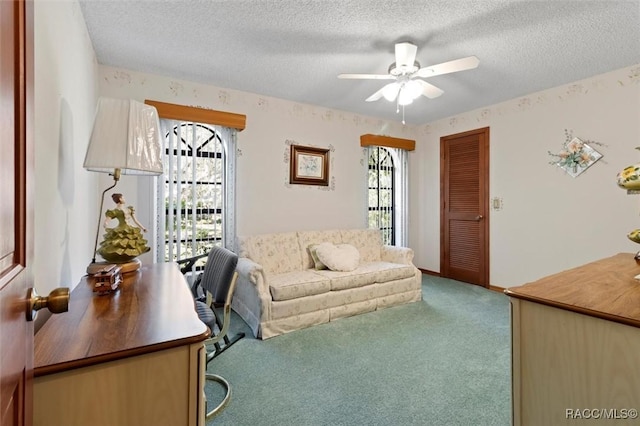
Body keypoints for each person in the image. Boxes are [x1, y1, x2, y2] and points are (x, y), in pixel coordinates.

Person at [97, 193, 150, 262]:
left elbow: (135, 220)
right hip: (121, 230)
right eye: (123, 198)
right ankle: (120, 258)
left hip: (130, 229)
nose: (124, 199)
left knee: (132, 244)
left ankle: (127, 258)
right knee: (120, 244)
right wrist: (105, 223)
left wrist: (143, 228)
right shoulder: (115, 211)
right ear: (120, 199)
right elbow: (108, 219)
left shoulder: (129, 209)